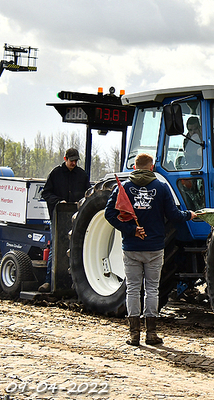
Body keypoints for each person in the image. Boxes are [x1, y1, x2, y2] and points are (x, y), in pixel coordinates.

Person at [105, 153, 196, 346]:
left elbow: (109, 214)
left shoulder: (124, 188)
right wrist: (190, 215)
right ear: (151, 167)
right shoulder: (161, 188)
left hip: (131, 247)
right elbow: (174, 215)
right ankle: (151, 333)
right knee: (152, 289)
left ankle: (134, 335)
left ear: (135, 167)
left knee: (133, 290)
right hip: (155, 247)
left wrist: (130, 230)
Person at [39, 148, 90, 292]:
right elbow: (46, 193)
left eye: (75, 161)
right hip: (58, 219)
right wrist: (58, 202)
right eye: (71, 160)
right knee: (55, 248)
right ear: (65, 158)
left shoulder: (81, 175)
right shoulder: (56, 173)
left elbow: (87, 193)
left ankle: (74, 284)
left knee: (77, 250)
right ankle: (49, 281)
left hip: (77, 219)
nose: (73, 163)